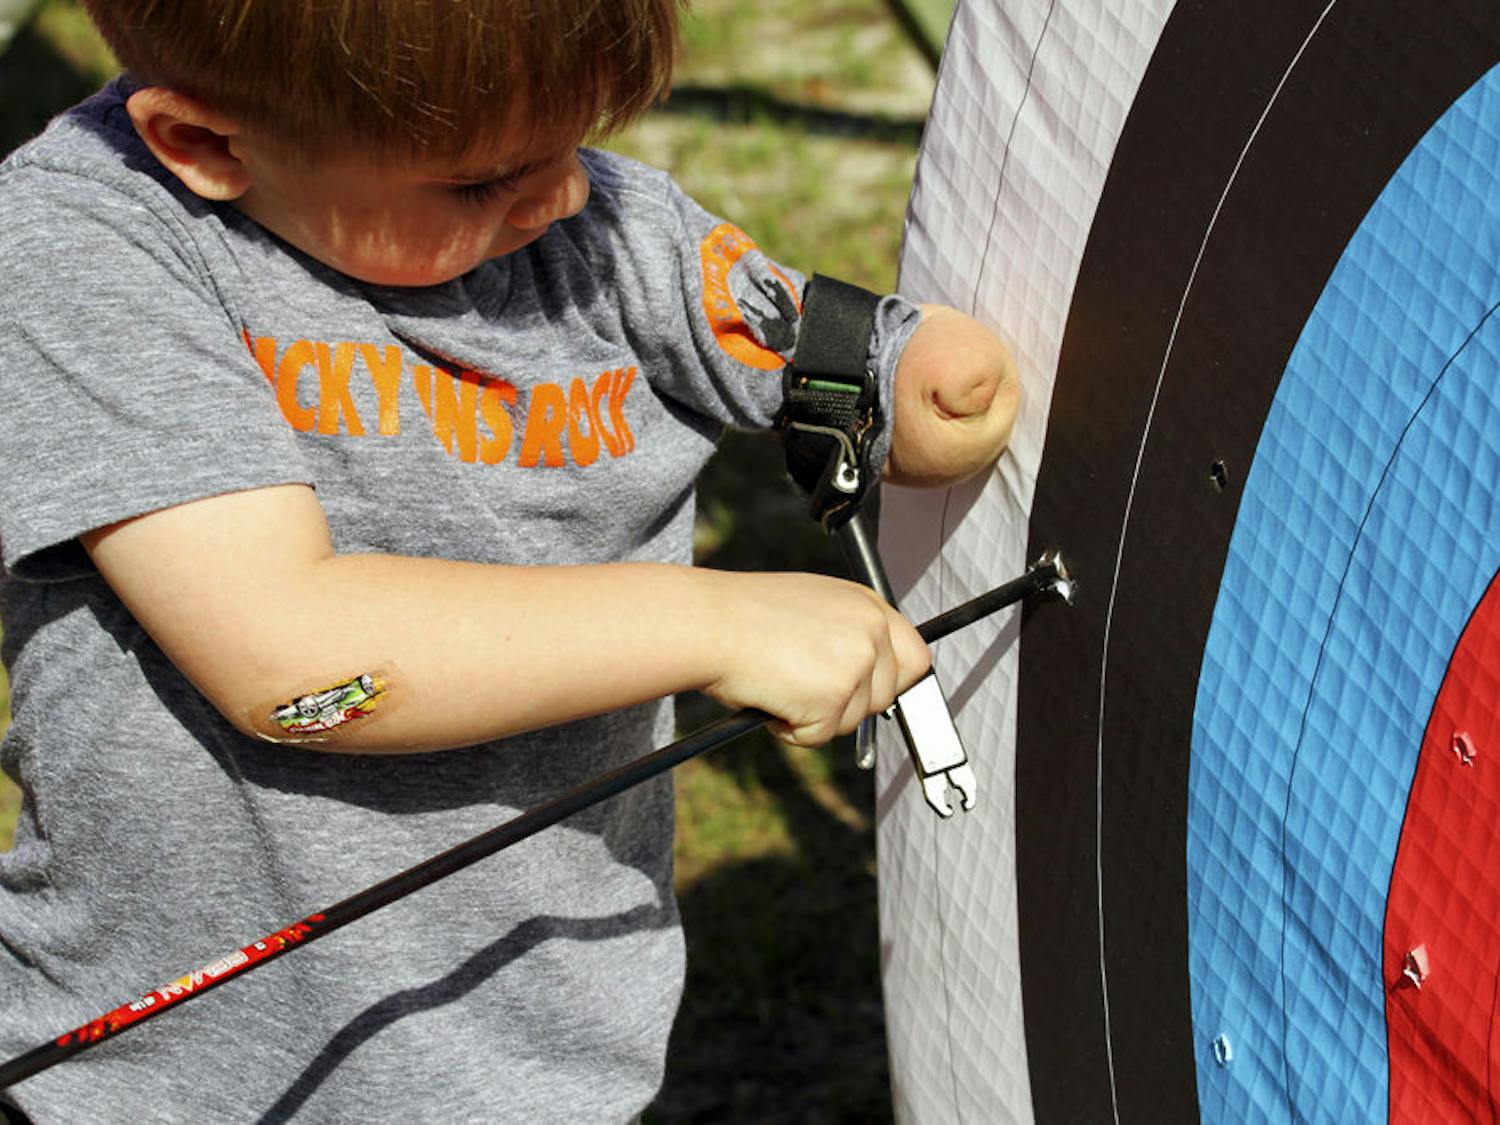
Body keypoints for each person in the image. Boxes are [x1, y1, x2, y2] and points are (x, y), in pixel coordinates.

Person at [0, 0, 1019, 1119]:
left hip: (543, 1065)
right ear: (204, 144)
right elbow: (296, 672)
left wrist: (926, 381)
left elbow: (824, 365)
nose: (564, 196)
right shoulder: (84, 242)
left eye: (571, 144)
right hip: (180, 1087)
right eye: (481, 182)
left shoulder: (590, 226)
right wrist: (719, 624)